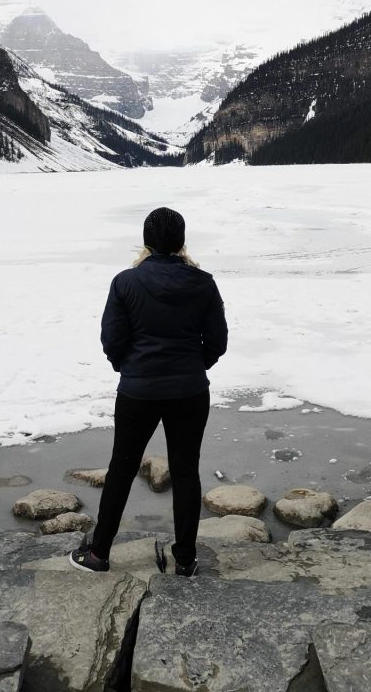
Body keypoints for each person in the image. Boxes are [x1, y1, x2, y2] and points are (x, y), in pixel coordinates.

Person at [69, 206, 228, 577]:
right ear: (181, 241)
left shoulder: (125, 283)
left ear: (146, 241)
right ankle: (185, 560)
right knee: (186, 471)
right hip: (189, 391)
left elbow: (112, 339)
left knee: (122, 468)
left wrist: (130, 367)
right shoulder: (203, 283)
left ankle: (99, 554)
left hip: (138, 391)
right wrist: (194, 365)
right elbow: (217, 341)